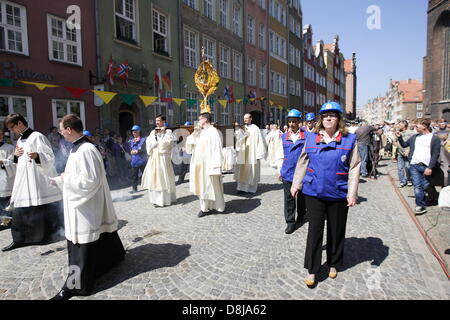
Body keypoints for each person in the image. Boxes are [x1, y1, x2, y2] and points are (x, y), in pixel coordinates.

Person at [50, 115, 125, 300]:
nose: (60, 133)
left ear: (69, 129)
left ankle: (75, 286)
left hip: (84, 207)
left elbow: (90, 181)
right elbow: (78, 175)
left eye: (61, 129)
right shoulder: (78, 148)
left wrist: (65, 180)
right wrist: (62, 179)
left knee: (80, 247)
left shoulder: (86, 149)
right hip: (83, 203)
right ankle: (106, 264)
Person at [290, 102, 361, 287]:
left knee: (336, 230)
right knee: (314, 231)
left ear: (339, 119)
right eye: (325, 115)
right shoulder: (312, 138)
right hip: (314, 192)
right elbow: (303, 162)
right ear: (321, 119)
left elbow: (354, 167)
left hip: (338, 192)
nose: (329, 118)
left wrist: (352, 193)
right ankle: (313, 270)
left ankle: (333, 263)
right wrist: (296, 184)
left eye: (333, 115)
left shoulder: (349, 139)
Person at [2, 114, 63, 252]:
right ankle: (19, 239)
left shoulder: (37, 136)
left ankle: (46, 237)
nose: (12, 131)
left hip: (37, 181)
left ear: (19, 123)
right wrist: (16, 156)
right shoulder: (19, 140)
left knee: (39, 208)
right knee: (20, 210)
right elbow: (17, 162)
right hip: (23, 180)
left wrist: (37, 156)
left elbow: (49, 156)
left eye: (12, 127)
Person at [397, 118, 441, 215]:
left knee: (425, 186)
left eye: (417, 125)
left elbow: (435, 154)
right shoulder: (414, 137)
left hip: (426, 166)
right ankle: (420, 205)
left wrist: (430, 167)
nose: (415, 127)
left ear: (424, 126)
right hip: (414, 165)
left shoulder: (434, 138)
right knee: (417, 186)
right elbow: (404, 145)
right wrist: (399, 137)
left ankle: (432, 197)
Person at [186, 113, 225, 217]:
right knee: (201, 186)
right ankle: (204, 207)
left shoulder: (213, 132)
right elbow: (189, 146)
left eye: (199, 119)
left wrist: (215, 165)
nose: (198, 121)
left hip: (208, 165)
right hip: (198, 165)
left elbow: (217, 149)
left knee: (210, 186)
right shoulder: (200, 132)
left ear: (205, 120)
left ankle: (215, 206)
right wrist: (194, 133)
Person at [275, 109, 307, 234]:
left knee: (302, 196)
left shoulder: (306, 137)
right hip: (287, 171)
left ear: (299, 122)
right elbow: (279, 154)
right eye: (290, 121)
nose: (292, 124)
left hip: (302, 172)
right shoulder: (283, 137)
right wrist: (279, 170)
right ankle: (290, 222)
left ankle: (301, 214)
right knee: (289, 198)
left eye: (294, 121)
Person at [141, 115, 176, 207]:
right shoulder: (153, 131)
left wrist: (160, 136)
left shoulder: (168, 131)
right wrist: (156, 138)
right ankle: (155, 199)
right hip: (154, 157)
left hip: (163, 157)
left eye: (158, 120)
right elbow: (148, 142)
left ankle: (165, 200)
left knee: (163, 176)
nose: (156, 122)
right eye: (156, 120)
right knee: (154, 177)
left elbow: (168, 143)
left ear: (163, 121)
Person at [234, 113, 266, 194]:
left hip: (252, 153)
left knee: (251, 170)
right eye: (244, 118)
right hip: (243, 152)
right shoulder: (242, 128)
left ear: (251, 119)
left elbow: (260, 141)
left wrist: (259, 153)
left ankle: (250, 189)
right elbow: (238, 139)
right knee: (241, 169)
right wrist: (239, 132)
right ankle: (241, 188)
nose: (245, 120)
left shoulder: (255, 129)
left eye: (247, 118)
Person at [0, 128, 15, 231]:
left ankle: (5, 223)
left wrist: (3, 162)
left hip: (5, 180)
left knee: (6, 204)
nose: (0, 136)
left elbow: (14, 163)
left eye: (1, 134)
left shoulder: (9, 148)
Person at [394, 120, 414, 187]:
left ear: (404, 125)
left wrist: (408, 150)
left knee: (408, 167)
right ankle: (402, 181)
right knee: (400, 168)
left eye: (400, 125)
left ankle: (409, 180)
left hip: (409, 153)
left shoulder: (411, 133)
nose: (398, 126)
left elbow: (413, 143)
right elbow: (394, 141)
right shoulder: (397, 132)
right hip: (400, 153)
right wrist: (397, 145)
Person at [128, 125, 147, 193]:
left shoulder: (143, 139)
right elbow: (129, 149)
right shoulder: (131, 140)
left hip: (142, 160)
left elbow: (144, 148)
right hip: (134, 161)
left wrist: (138, 151)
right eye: (133, 131)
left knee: (145, 174)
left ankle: (149, 185)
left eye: (135, 131)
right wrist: (130, 151)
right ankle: (134, 188)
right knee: (134, 176)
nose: (134, 133)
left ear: (139, 131)